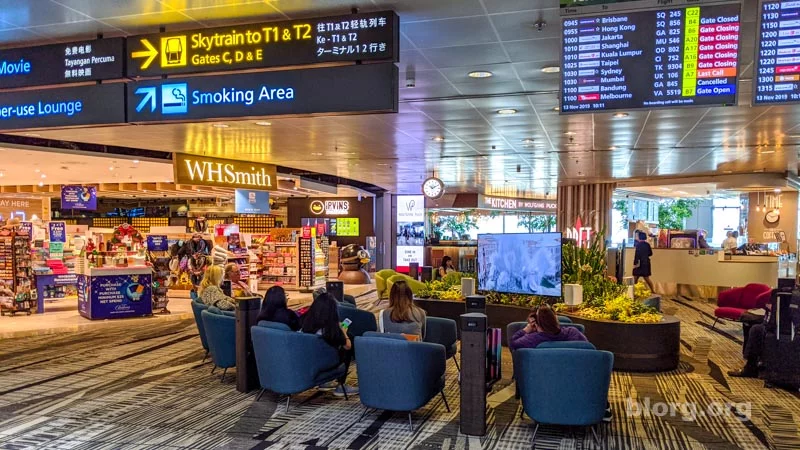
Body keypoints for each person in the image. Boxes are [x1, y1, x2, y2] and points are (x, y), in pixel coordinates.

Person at [301, 292, 358, 397]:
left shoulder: (306, 322)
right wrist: (343, 331)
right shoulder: (330, 330)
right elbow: (348, 346)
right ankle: (341, 384)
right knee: (349, 343)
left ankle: (324, 382)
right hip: (326, 363)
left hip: (308, 360)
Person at [509, 304, 588, 350]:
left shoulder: (533, 339)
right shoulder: (572, 332)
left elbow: (513, 343)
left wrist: (526, 329)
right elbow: (588, 349)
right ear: (556, 318)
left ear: (536, 323)